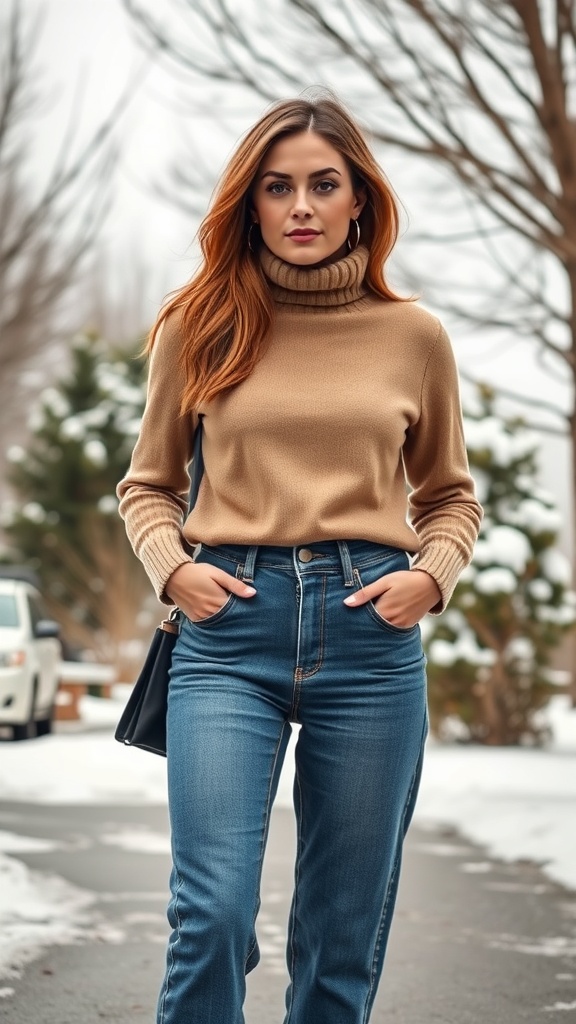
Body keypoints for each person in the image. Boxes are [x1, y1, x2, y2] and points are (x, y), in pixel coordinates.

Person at [117, 94, 482, 1024]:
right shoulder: (197, 325)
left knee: (341, 933)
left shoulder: (414, 339)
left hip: (371, 636)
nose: (302, 207)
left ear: (361, 198)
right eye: (278, 188)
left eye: (325, 184)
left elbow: (450, 497)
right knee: (212, 913)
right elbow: (147, 485)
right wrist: (174, 567)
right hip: (229, 629)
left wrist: (429, 577)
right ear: (252, 204)